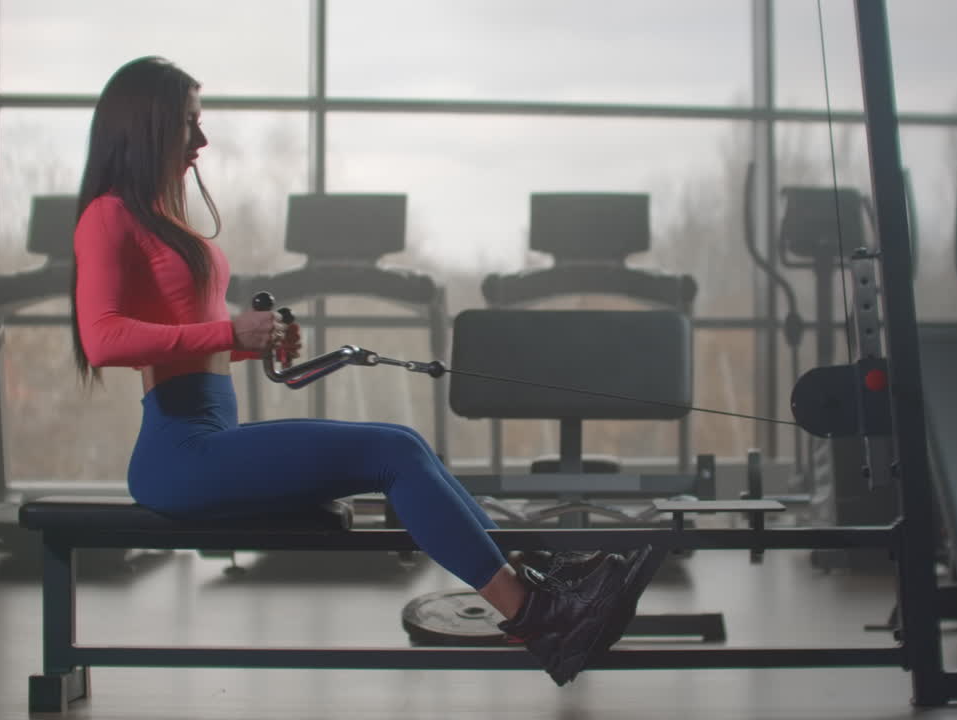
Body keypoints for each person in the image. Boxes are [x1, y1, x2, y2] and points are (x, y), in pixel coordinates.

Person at [68, 56, 653, 686]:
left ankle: (538, 589)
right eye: (189, 125)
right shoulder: (107, 215)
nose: (202, 142)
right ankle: (542, 621)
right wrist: (231, 331)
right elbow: (101, 339)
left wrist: (251, 344)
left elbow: (191, 341)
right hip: (178, 455)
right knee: (389, 452)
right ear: (149, 124)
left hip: (206, 438)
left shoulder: (165, 221)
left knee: (403, 444)